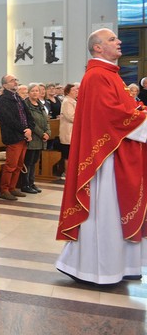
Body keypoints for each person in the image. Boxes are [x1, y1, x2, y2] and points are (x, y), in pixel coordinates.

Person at [56, 28, 147, 285]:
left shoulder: (109, 74)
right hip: (104, 160)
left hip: (115, 152)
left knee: (112, 211)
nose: (118, 42)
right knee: (103, 212)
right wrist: (142, 118)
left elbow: (124, 108)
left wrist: (139, 111)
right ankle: (93, 269)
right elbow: (110, 115)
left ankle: (121, 265)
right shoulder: (97, 75)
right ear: (98, 48)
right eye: (111, 39)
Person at [0, 74, 35, 201]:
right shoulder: (3, 100)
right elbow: (9, 119)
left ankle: (12, 187)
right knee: (11, 165)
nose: (15, 82)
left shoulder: (18, 98)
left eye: (16, 80)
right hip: (13, 136)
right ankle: (4, 189)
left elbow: (27, 115)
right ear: (5, 85)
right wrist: (25, 130)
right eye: (12, 81)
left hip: (23, 135)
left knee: (19, 165)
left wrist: (30, 128)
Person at [20, 83, 51, 194]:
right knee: (28, 161)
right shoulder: (26, 105)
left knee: (34, 161)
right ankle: (25, 184)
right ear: (28, 92)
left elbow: (46, 120)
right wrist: (42, 134)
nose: (35, 93)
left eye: (37, 91)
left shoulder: (40, 105)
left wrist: (48, 132)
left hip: (40, 138)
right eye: (32, 91)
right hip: (32, 137)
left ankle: (32, 183)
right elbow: (31, 122)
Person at [58, 83, 79, 180]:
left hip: (73, 132)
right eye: (74, 90)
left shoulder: (73, 101)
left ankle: (72, 172)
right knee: (67, 154)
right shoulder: (67, 102)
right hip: (68, 132)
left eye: (77, 90)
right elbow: (71, 117)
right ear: (68, 92)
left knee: (72, 154)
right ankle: (66, 173)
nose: (77, 91)